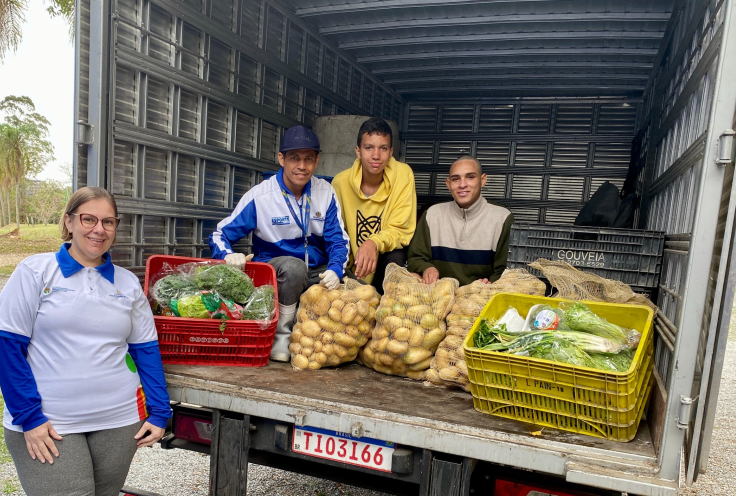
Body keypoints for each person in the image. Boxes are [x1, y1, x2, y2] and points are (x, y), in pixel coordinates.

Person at [0, 187, 172, 496]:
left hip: (115, 421)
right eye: (88, 219)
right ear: (69, 221)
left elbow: (145, 349)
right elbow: (6, 346)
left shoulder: (126, 284)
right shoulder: (37, 272)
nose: (98, 229)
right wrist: (30, 418)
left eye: (108, 221)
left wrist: (159, 411)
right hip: (50, 423)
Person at [209, 125, 350, 362]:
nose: (302, 166)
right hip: (277, 273)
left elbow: (339, 241)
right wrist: (227, 255)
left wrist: (336, 270)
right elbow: (219, 234)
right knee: (294, 268)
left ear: (317, 161)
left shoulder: (325, 192)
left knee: (356, 287)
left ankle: (320, 342)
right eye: (294, 158)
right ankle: (281, 336)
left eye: (308, 159)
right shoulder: (261, 196)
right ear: (281, 159)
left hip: (314, 270)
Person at [332, 117, 416, 294]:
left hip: (385, 257)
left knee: (396, 257)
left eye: (383, 148)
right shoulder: (340, 182)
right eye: (369, 147)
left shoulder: (403, 175)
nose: (376, 155)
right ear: (358, 151)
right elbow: (335, 232)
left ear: (391, 151)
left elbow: (400, 229)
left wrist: (373, 242)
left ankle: (388, 312)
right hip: (353, 263)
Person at [407, 155, 513, 286]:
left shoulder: (502, 217)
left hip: (479, 297)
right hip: (439, 295)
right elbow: (415, 258)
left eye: (470, 177)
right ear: (448, 184)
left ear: (483, 180)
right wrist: (427, 268)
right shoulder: (432, 214)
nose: (462, 185)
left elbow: (505, 270)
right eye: (455, 179)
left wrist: (490, 284)